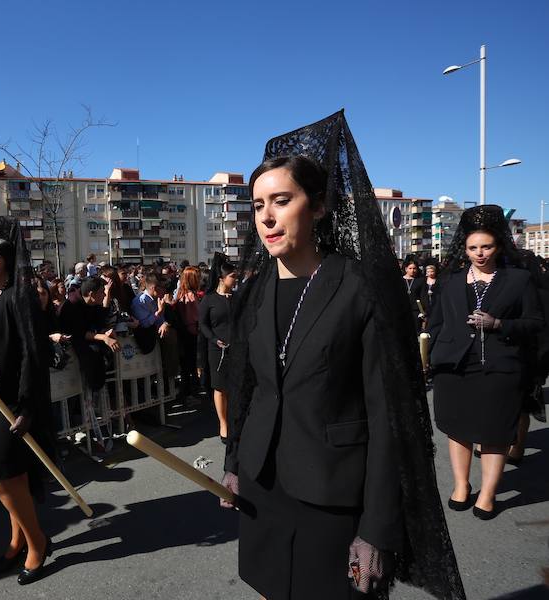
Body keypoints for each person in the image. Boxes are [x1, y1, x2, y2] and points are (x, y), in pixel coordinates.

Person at [222, 112, 464, 600]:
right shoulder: (257, 289)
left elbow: (388, 415)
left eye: (281, 201)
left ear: (318, 206)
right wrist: (234, 460)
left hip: (334, 494)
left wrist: (376, 527)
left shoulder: (360, 287)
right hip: (263, 483)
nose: (266, 217)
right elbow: (248, 388)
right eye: (257, 205)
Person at [428, 204, 543, 520]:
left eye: (487, 246)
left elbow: (535, 322)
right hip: (454, 368)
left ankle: (489, 495)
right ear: (464, 248)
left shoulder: (518, 280)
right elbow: (435, 324)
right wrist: (431, 358)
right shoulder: (450, 280)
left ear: (499, 246)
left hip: (500, 367)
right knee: (457, 429)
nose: (480, 253)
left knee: (495, 433)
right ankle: (462, 486)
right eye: (473, 247)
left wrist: (499, 324)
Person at [0, 217, 53, 585]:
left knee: (0, 481)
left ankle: (38, 543)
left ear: (9, 264)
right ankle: (17, 538)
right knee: (10, 480)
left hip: (11, 404)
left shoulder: (18, 297)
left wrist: (27, 406)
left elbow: (33, 355)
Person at [198, 253, 236, 441]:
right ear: (222, 278)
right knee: (220, 387)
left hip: (237, 348)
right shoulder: (209, 299)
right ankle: (223, 423)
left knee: (235, 386)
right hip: (217, 350)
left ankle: (236, 420)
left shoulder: (237, 297)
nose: (235, 280)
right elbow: (203, 325)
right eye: (232, 277)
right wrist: (214, 339)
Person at [174, 266, 202, 399]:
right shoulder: (191, 296)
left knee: (186, 366)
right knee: (191, 365)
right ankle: (192, 391)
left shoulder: (180, 294)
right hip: (191, 334)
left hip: (184, 334)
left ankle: (187, 391)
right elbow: (195, 317)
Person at [401, 258, 425, 330]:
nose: (412, 270)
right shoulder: (400, 280)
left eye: (414, 268)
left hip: (416, 310)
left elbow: (423, 296)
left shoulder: (420, 280)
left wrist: (422, 311)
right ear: (406, 269)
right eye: (410, 268)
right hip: (403, 309)